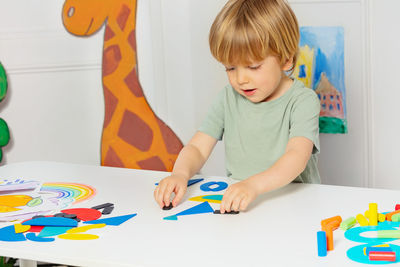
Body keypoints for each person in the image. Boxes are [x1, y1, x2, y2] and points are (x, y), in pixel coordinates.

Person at [154, 0, 320, 213]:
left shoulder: (303, 101)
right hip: (244, 202)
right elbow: (197, 147)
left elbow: (296, 156)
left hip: (296, 203)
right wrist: (180, 174)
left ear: (286, 60)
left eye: (253, 66)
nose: (241, 79)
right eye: (230, 68)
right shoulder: (227, 98)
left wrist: (253, 185)